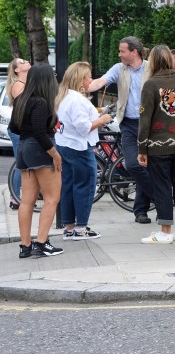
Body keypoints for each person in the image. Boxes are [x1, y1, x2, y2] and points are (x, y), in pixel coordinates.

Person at [88, 36, 155, 224]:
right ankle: (160, 197)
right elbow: (100, 82)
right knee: (133, 164)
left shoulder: (151, 67)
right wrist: (82, 86)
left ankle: (140, 211)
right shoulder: (119, 68)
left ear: (134, 52)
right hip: (128, 124)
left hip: (149, 123)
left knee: (147, 166)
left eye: (122, 51)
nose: (119, 54)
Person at [55, 62, 113, 241]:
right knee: (85, 185)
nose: (91, 79)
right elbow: (83, 127)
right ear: (81, 80)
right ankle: (81, 227)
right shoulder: (78, 100)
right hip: (79, 146)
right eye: (88, 76)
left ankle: (69, 226)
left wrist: (98, 112)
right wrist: (102, 119)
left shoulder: (63, 96)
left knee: (69, 185)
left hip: (64, 144)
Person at [137, 45, 175, 244]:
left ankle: (165, 230)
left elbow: (145, 120)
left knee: (162, 187)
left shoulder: (151, 85)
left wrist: (142, 148)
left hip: (158, 145)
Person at [12, 64, 63, 258]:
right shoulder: (42, 102)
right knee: (51, 198)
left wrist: (31, 133)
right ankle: (42, 243)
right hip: (40, 149)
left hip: (24, 148)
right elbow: (40, 132)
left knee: (27, 201)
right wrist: (55, 155)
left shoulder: (21, 100)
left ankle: (25, 246)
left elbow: (14, 128)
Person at [7, 57, 30, 211]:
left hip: (23, 129)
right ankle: (15, 198)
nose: (26, 62)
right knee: (20, 164)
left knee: (24, 163)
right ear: (16, 70)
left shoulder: (25, 83)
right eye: (21, 62)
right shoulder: (18, 85)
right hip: (17, 130)